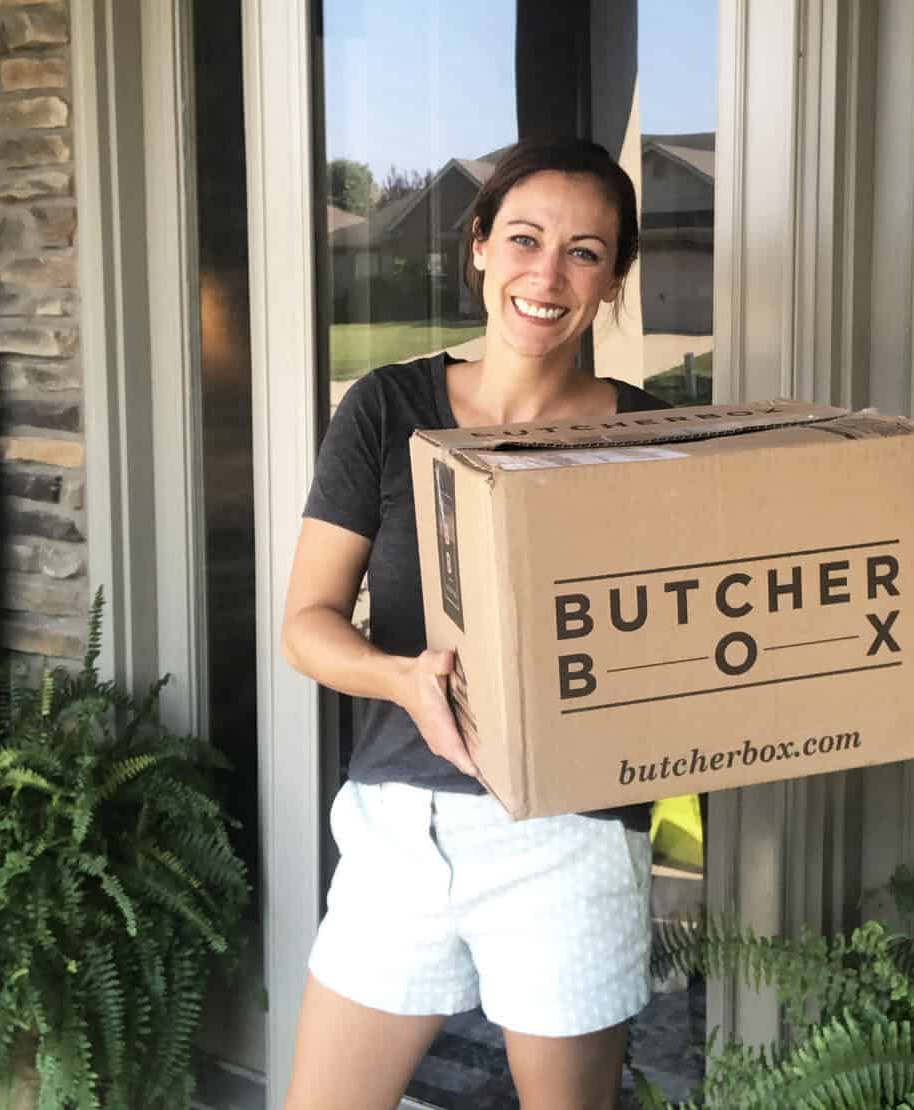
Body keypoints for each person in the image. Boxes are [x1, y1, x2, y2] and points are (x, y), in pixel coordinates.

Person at [280, 137, 669, 1110]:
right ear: (480, 248)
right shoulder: (387, 409)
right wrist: (403, 678)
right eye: (526, 239)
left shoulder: (657, 441)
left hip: (569, 836)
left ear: (613, 281)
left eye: (585, 251)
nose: (549, 273)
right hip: (399, 831)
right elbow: (308, 621)